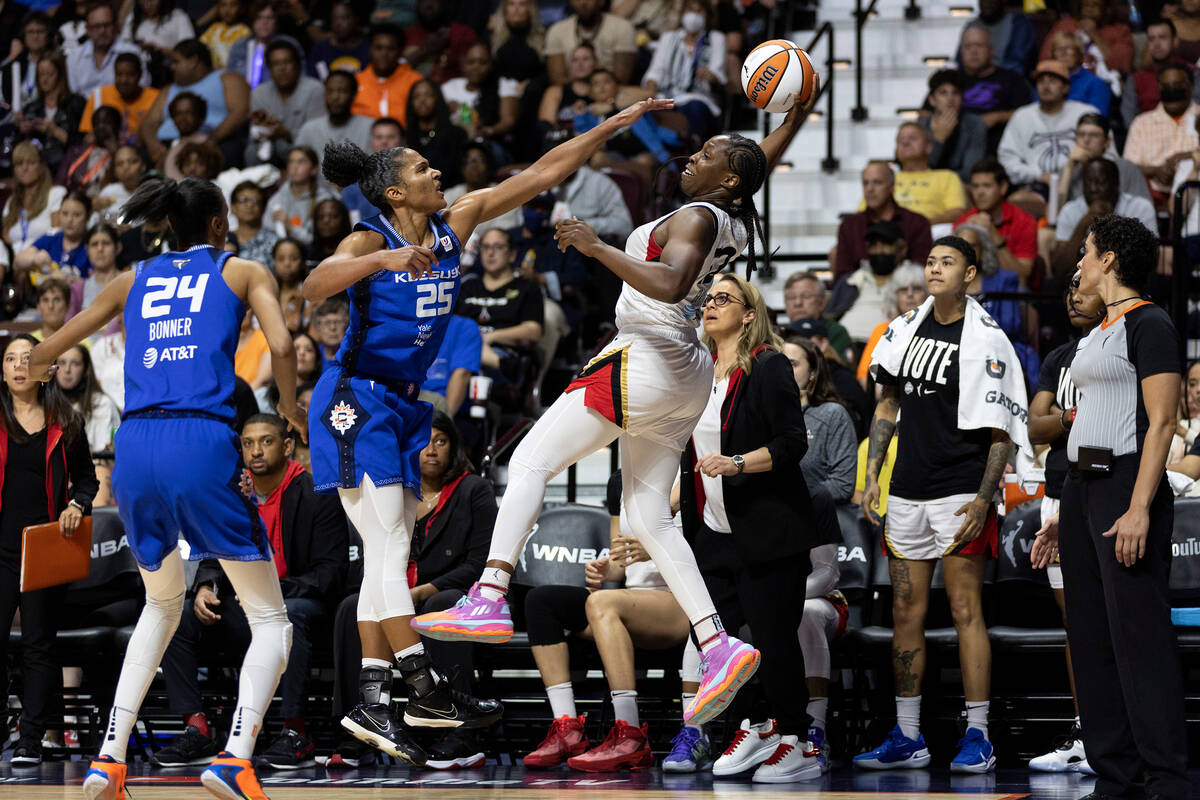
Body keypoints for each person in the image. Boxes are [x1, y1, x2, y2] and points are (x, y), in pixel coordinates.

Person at [412, 90, 822, 732]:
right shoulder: (734, 214)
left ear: (728, 179)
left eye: (707, 154)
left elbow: (672, 282)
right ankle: (716, 644)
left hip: (647, 356)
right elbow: (754, 161)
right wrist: (793, 116)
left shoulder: (694, 217)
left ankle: (488, 595)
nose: (691, 156)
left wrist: (596, 246)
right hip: (684, 373)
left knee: (528, 462)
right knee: (651, 518)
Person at [298, 95, 678, 766]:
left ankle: (376, 698)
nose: (436, 172)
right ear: (394, 190)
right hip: (354, 395)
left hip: (400, 400)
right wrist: (380, 264)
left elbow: (538, 174)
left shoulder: (457, 221)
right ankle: (419, 687)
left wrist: (609, 128)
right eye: (421, 168)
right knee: (389, 542)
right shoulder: (371, 237)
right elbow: (313, 284)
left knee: (387, 547)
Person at [27, 175, 305, 800]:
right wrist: (289, 408)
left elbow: (50, 350)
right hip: (199, 440)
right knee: (272, 621)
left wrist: (36, 374)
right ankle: (234, 758)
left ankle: (108, 759)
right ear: (215, 225)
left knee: (161, 604)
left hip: (133, 448)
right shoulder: (238, 271)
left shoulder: (132, 277)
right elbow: (283, 343)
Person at [855, 235, 1032, 774]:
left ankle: (978, 733)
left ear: (970, 275)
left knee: (964, 611)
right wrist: (871, 479)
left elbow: (1003, 428)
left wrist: (984, 498)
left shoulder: (989, 338)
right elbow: (887, 403)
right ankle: (908, 734)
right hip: (907, 487)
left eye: (946, 262)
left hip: (960, 490)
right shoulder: (904, 328)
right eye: (930, 261)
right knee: (906, 611)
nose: (934, 269)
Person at [1031, 215, 1191, 800]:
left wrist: (1141, 506)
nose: (1078, 264)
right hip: (1082, 488)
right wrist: (1063, 512)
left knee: (1137, 635)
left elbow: (1161, 423)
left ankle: (1167, 775)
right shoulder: (1098, 331)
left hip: (1126, 484)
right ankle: (1114, 771)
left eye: (1087, 253)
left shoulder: (1150, 323)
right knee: (1092, 636)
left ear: (1111, 261)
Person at [673, 273, 820, 783]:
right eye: (707, 298)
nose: (710, 305)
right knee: (725, 648)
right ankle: (756, 728)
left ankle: (799, 741)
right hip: (712, 534)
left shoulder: (768, 366)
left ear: (749, 313)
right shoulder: (695, 372)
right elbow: (692, 454)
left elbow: (792, 443)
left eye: (723, 299)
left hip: (768, 533)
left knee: (773, 640)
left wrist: (736, 463)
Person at [152, 413, 347, 771]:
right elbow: (211, 554)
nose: (256, 451)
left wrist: (272, 592)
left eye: (266, 441)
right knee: (177, 617)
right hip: (243, 609)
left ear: (287, 446)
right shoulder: (231, 496)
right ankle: (198, 729)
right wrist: (206, 587)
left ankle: (295, 733)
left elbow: (330, 574)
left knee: (294, 612)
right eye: (248, 443)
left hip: (298, 608)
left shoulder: (319, 494)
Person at [1024, 271, 1102, 775]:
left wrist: (1064, 419)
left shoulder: (1120, 348)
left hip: (1099, 483)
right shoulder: (1058, 358)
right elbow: (1035, 425)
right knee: (1076, 622)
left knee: (1103, 619)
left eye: (1083, 291)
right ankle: (1085, 730)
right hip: (1057, 494)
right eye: (1069, 294)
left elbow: (1106, 424)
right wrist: (1071, 418)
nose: (1073, 298)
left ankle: (1110, 729)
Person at [406, 411, 497, 769]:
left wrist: (423, 590)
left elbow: (480, 563)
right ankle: (358, 728)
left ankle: (461, 730)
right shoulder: (398, 492)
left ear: (453, 447)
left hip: (464, 597)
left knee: (444, 603)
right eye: (424, 442)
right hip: (404, 596)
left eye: (440, 441)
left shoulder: (473, 489)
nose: (431, 449)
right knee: (353, 606)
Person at [139, 39, 250, 175]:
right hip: (168, 144)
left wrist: (211, 140)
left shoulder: (227, 78)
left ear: (193, 61)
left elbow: (241, 112)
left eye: (176, 62)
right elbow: (149, 123)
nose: (172, 67)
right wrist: (155, 147)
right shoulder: (168, 89)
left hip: (213, 141)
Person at [997, 60, 1097, 209]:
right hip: (1037, 185)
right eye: (1041, 81)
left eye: (1052, 81)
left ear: (1065, 87)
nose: (1045, 86)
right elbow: (1007, 159)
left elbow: (1103, 149)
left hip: (1080, 180)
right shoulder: (1022, 116)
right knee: (1016, 201)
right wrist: (1039, 175)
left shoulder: (1085, 113)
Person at [1053, 158, 1158, 277]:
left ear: (1116, 185)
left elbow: (1150, 262)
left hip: (1127, 282)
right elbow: (1060, 268)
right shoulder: (1070, 210)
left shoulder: (1140, 208)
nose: (1093, 189)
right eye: (1088, 182)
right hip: (1083, 281)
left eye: (1100, 182)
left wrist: (1112, 222)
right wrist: (1084, 223)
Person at [785, 336, 856, 504]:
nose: (784, 370)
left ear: (813, 373)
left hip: (813, 517)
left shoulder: (832, 415)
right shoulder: (763, 411)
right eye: (780, 364)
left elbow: (842, 484)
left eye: (793, 364)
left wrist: (791, 500)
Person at [833, 161, 932, 282]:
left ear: (892, 187)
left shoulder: (917, 222)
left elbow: (922, 270)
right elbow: (843, 276)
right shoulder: (849, 226)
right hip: (861, 294)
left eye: (877, 182)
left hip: (905, 292)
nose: (870, 189)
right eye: (865, 183)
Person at [641, 0, 725, 140]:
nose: (693, 16)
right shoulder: (669, 38)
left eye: (699, 11)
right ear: (682, 14)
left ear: (707, 15)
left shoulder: (716, 38)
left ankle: (695, 145)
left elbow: (718, 73)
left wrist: (710, 75)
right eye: (690, 10)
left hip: (699, 97)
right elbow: (656, 71)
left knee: (694, 108)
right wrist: (651, 88)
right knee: (647, 109)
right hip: (668, 95)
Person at [826, 221, 918, 345]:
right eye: (873, 245)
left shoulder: (910, 281)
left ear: (902, 249)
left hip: (885, 346)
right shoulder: (852, 280)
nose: (879, 250)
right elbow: (829, 316)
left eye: (886, 244)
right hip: (846, 344)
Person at [954, 158, 1037, 285]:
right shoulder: (964, 222)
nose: (980, 192)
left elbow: (1020, 279)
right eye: (975, 186)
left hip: (1012, 291)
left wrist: (991, 232)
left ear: (1003, 187)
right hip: (974, 284)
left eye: (987, 186)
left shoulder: (1024, 222)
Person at [1123, 64, 1199, 198]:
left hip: (1194, 194)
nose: (1171, 90)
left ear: (1191, 85)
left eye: (1177, 84)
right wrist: (1156, 171)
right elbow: (1129, 167)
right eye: (1165, 86)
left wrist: (1186, 157)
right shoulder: (1142, 123)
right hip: (1150, 198)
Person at [954, 24, 1033, 153]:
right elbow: (925, 114)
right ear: (961, 51)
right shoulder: (949, 80)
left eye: (979, 46)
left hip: (1001, 148)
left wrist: (998, 117)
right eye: (968, 46)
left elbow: (1028, 114)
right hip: (958, 148)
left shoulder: (1012, 79)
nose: (974, 52)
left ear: (991, 50)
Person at [245, 40, 324, 167]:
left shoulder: (314, 89)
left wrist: (286, 133)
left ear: (297, 65)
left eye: (287, 62)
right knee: (251, 152)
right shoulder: (259, 93)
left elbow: (317, 136)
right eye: (276, 64)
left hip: (306, 150)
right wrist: (262, 128)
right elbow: (255, 133)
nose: (282, 69)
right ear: (269, 69)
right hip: (271, 148)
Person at [1056, 113, 1150, 209]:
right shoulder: (1068, 169)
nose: (1086, 140)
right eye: (1081, 134)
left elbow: (1144, 210)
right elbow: (1056, 214)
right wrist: (1068, 168)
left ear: (1107, 142)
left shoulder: (1126, 168)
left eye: (1094, 135)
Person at [855, 263, 927, 385]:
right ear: (894, 297)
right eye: (903, 289)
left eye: (916, 288)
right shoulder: (882, 330)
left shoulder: (936, 328)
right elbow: (864, 377)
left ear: (927, 294)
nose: (910, 294)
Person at [17, 51, 85, 175]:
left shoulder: (76, 104)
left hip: (68, 168)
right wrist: (22, 131)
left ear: (60, 75)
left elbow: (83, 144)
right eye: (41, 74)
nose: (44, 79)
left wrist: (55, 131)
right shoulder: (31, 108)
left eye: (50, 74)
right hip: (37, 170)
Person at [888, 121, 967, 226]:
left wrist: (921, 224)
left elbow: (957, 213)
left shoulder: (947, 177)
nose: (905, 142)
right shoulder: (885, 179)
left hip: (933, 231)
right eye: (900, 140)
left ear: (928, 147)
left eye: (913, 138)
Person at [442, 43, 520, 145]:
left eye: (482, 62)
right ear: (463, 64)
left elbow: (508, 121)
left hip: (489, 144)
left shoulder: (503, 85)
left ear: (491, 65)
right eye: (471, 62)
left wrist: (488, 131)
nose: (476, 67)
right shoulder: (450, 87)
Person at [545, 0, 636, 86]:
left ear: (601, 1)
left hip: (610, 92)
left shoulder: (622, 27)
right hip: (572, 92)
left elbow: (621, 79)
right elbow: (557, 80)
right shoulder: (556, 30)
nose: (583, 2)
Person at [66, 3, 147, 97]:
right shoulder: (74, 57)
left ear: (116, 26)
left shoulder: (133, 52)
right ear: (87, 29)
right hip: (85, 109)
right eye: (97, 26)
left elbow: (143, 90)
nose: (102, 31)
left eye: (107, 25)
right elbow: (74, 94)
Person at [920, 69, 986, 185]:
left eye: (955, 93)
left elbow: (970, 172)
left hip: (961, 186)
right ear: (932, 100)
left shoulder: (975, 124)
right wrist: (938, 141)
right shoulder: (920, 126)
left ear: (962, 98)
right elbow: (918, 169)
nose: (950, 99)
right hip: (924, 185)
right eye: (943, 93)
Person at [15, 192, 92, 289]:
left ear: (88, 216)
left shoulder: (94, 244)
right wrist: (35, 258)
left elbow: (99, 282)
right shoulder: (51, 239)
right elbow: (18, 260)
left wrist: (70, 280)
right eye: (65, 214)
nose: (69, 220)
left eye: (76, 215)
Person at [80, 54, 158, 149]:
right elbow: (88, 134)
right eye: (119, 74)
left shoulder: (156, 97)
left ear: (140, 75)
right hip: (106, 152)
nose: (124, 80)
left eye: (130, 75)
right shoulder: (99, 94)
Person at [351, 23, 422, 126]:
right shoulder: (355, 82)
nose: (384, 54)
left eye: (391, 49)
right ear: (370, 50)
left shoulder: (414, 81)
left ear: (400, 52)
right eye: (379, 48)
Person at [1122, 19, 1190, 125]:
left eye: (1162, 37)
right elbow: (1129, 118)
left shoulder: (1192, 72)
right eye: (1151, 39)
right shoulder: (1136, 79)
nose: (1157, 44)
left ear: (1175, 41)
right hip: (1146, 135)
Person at [2, 142, 66, 255]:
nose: (25, 168)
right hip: (17, 266)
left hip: (45, 263)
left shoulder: (56, 194)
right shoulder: (11, 202)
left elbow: (57, 233)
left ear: (42, 166)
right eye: (19, 164)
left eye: (31, 163)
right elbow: (6, 237)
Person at [404, 80, 470, 188]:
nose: (422, 100)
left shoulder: (456, 134)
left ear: (438, 99)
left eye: (428, 95)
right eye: (417, 96)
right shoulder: (406, 137)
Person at [226, 0, 304, 90]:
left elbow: (302, 80)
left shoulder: (290, 45)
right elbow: (230, 79)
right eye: (259, 18)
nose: (264, 23)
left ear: (276, 21)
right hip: (244, 98)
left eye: (269, 18)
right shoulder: (240, 46)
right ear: (252, 21)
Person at [266, 146, 336, 246]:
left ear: (314, 169)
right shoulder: (277, 199)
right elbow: (266, 232)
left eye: (301, 162)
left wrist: (291, 227)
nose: (294, 167)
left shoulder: (324, 200)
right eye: (291, 162)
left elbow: (324, 241)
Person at [296, 70, 374, 158]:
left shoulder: (370, 128)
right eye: (330, 91)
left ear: (354, 95)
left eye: (342, 91)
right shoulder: (309, 129)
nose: (335, 97)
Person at [783, 271, 855, 363]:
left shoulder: (836, 332)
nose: (798, 303)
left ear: (821, 302)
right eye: (791, 297)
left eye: (806, 296)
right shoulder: (778, 333)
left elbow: (845, 369)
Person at [420, 314, 479, 416]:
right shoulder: (407, 325)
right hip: (408, 402)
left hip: (443, 407)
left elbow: (462, 375)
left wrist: (444, 422)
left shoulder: (463, 326)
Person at [1046, 30, 1110, 117]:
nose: (1063, 53)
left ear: (1080, 54)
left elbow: (1096, 120)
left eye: (1069, 48)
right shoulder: (1045, 82)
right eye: (1059, 49)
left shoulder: (1095, 84)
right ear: (1053, 55)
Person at [967, 0, 1034, 74]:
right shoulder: (972, 25)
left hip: (1008, 78)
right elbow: (961, 61)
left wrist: (988, 73)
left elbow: (1017, 64)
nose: (987, 3)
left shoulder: (1018, 23)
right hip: (974, 78)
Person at [309, 1, 369, 79]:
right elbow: (316, 81)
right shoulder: (320, 49)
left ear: (355, 19)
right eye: (334, 18)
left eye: (344, 18)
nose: (338, 23)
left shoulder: (368, 47)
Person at [230, 180, 280, 270]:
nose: (249, 205)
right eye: (243, 200)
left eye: (255, 201)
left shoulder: (274, 241)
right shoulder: (224, 240)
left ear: (263, 208)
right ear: (233, 207)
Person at [79, 223, 123, 311]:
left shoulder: (130, 282)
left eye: (106, 243)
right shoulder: (79, 288)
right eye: (94, 244)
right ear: (87, 250)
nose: (100, 249)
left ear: (117, 248)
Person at [199, 0, 250, 69]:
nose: (227, 10)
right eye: (223, 5)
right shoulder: (213, 29)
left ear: (241, 8)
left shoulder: (246, 32)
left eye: (233, 5)